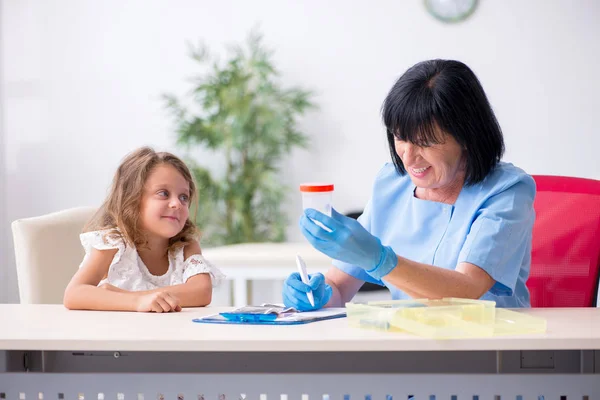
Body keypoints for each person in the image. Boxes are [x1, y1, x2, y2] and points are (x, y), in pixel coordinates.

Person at [283, 59, 536, 311]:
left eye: (425, 142)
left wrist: (380, 260)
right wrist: (317, 295)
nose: (408, 155)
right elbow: (339, 288)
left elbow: (467, 291)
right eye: (400, 137)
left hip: (489, 345)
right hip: (410, 344)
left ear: (467, 136)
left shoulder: (507, 192)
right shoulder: (391, 184)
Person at [63, 147, 224, 312]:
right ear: (132, 199)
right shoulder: (114, 243)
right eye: (163, 193)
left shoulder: (186, 247)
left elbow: (202, 291)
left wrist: (127, 296)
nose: (177, 203)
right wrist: (138, 302)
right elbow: (74, 294)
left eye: (184, 197)